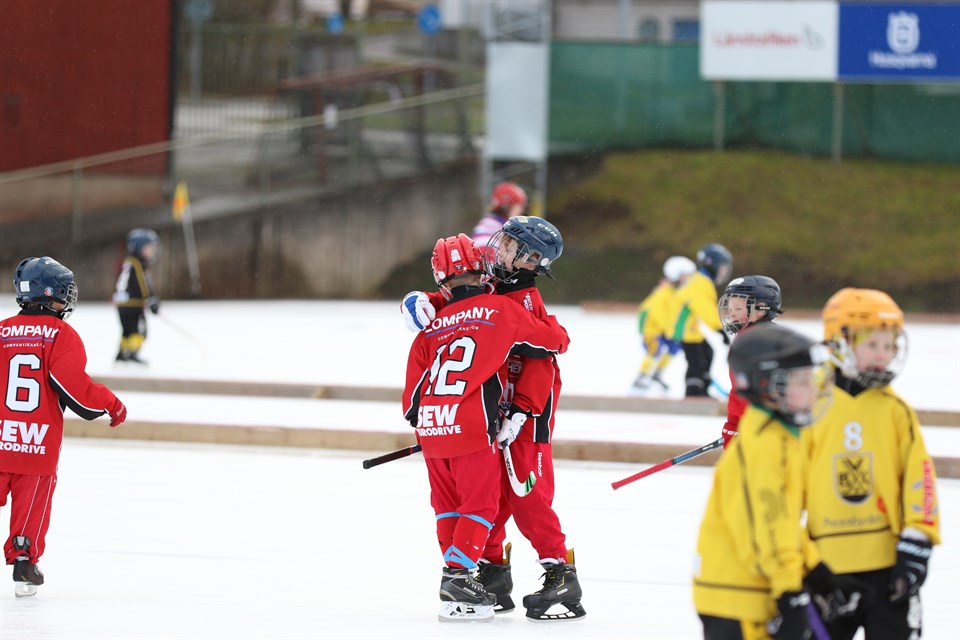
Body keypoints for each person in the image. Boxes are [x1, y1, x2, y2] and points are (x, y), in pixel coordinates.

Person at [401, 216, 585, 621]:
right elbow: (457, 298)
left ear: (530, 260)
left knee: (526, 495)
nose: (497, 250)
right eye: (501, 241)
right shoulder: (494, 289)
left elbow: (543, 358)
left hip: (524, 415)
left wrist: (522, 410)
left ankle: (560, 572)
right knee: (491, 496)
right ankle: (493, 572)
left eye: (509, 246)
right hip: (485, 415)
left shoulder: (523, 299)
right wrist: (420, 300)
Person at [693, 323, 866, 639]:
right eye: (801, 381)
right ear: (766, 385)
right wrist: (790, 591)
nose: (813, 390)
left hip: (753, 590)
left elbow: (784, 522)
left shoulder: (782, 437)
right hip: (736, 597)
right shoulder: (763, 446)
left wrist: (818, 573)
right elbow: (766, 525)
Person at [803, 288, 940, 639]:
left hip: (888, 566)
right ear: (840, 342)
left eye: (890, 345)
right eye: (873, 344)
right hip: (826, 567)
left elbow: (920, 478)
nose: (884, 354)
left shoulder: (897, 411)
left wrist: (918, 540)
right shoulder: (809, 405)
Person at [1, 257, 127, 598]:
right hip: (35, 444)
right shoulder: (60, 334)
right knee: (31, 505)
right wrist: (110, 403)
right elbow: (74, 388)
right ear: (50, 293)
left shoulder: (1, 330)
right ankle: (24, 560)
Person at [716, 275, 783, 447]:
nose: (731, 312)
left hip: (761, 431)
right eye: (730, 307)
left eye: (738, 308)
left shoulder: (755, 342)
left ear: (760, 309)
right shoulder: (751, 336)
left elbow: (749, 393)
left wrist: (734, 426)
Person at [670, 243, 732, 397]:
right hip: (683, 329)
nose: (723, 273)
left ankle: (703, 387)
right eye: (722, 268)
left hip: (690, 329)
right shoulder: (700, 283)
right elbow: (705, 309)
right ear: (713, 265)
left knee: (707, 353)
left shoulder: (700, 281)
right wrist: (719, 330)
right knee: (696, 361)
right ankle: (693, 392)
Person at [632, 255, 696, 392]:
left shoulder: (676, 292)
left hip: (665, 329)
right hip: (653, 329)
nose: (689, 279)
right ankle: (641, 376)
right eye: (686, 276)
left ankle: (657, 373)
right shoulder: (663, 293)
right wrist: (669, 330)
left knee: (673, 348)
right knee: (654, 350)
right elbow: (656, 313)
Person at [113, 228, 160, 364]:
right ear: (139, 248)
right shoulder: (138, 263)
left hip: (122, 303)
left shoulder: (128, 262)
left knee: (127, 331)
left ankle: (122, 353)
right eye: (149, 248)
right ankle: (132, 354)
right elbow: (142, 283)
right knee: (140, 331)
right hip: (133, 303)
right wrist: (150, 298)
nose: (152, 251)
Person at [470, 181, 527, 247]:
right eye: (519, 206)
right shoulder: (491, 228)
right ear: (507, 206)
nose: (522, 211)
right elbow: (484, 249)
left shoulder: (496, 225)